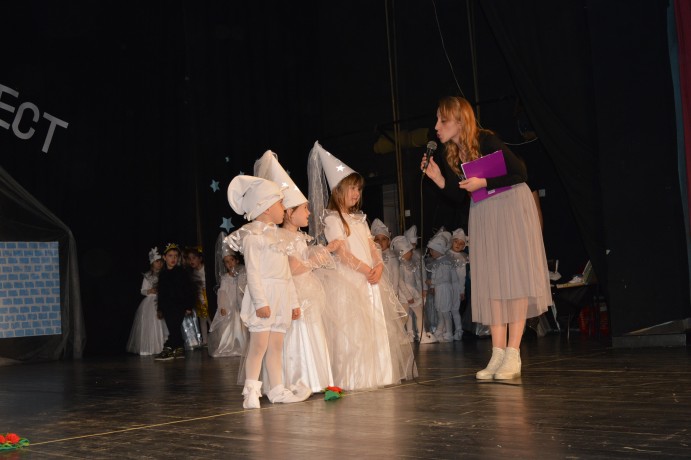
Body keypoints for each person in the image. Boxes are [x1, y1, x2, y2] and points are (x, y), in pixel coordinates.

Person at [421, 96, 552, 380]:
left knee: (513, 278)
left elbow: (520, 173)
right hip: (484, 212)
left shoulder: (487, 140)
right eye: (437, 120)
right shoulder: (453, 153)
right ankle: (497, 353)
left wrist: (485, 182)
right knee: (492, 279)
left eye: (443, 120)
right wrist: (439, 179)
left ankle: (513, 353)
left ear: (460, 121)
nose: (437, 127)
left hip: (509, 207)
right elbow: (459, 196)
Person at [308, 141, 416, 390]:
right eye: (351, 188)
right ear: (338, 190)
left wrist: (378, 265)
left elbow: (372, 245)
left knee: (374, 326)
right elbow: (342, 253)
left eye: (358, 189)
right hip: (350, 280)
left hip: (370, 279)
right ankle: (355, 377)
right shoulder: (332, 219)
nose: (356, 193)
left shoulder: (360, 219)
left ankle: (379, 374)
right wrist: (366, 270)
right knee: (354, 329)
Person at [225, 174, 311, 409]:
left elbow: (287, 275)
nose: (284, 208)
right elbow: (253, 274)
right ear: (265, 208)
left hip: (281, 296)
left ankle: (276, 389)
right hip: (264, 296)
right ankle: (251, 391)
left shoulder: (280, 237)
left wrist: (293, 303)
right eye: (280, 203)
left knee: (276, 347)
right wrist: (260, 302)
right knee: (259, 346)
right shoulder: (253, 237)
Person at [255, 150, 336, 393]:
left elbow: (303, 260)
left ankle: (316, 378)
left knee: (312, 330)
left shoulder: (300, 237)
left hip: (307, 289)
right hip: (294, 292)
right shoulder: (281, 237)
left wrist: (318, 253)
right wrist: (324, 253)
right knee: (296, 331)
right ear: (290, 213)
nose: (309, 213)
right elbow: (294, 267)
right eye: (304, 209)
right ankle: (296, 379)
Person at [155, 243, 198, 361]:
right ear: (164, 257)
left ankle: (168, 347)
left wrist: (188, 306)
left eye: (175, 256)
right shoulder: (163, 274)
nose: (173, 258)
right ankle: (179, 347)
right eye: (170, 256)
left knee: (174, 327)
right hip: (167, 306)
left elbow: (189, 290)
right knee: (173, 328)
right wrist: (160, 308)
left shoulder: (181, 272)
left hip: (179, 305)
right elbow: (161, 293)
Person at [207, 241, 248, 358]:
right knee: (229, 326)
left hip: (241, 305)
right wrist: (222, 306)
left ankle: (243, 345)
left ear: (237, 261)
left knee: (241, 325)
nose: (230, 263)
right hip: (230, 306)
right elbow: (222, 293)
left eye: (231, 260)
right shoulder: (225, 278)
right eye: (226, 262)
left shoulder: (243, 275)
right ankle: (230, 346)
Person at [126, 247, 169, 355]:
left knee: (162, 323)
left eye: (161, 262)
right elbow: (142, 290)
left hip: (162, 300)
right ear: (152, 263)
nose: (159, 264)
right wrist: (150, 291)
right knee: (151, 323)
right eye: (157, 262)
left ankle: (163, 346)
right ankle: (150, 347)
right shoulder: (148, 276)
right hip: (151, 301)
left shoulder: (164, 274)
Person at [424, 229, 459, 342]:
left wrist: (432, 282)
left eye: (432, 250)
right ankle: (439, 329)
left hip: (445, 289)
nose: (431, 253)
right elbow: (435, 275)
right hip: (439, 289)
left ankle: (449, 332)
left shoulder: (445, 263)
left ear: (439, 250)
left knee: (445, 312)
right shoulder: (437, 262)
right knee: (439, 311)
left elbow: (445, 278)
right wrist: (433, 287)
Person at [391, 235, 423, 342]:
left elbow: (415, 279)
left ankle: (419, 334)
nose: (412, 253)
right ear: (403, 253)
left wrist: (418, 290)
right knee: (404, 317)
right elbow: (401, 283)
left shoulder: (410, 264)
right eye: (410, 251)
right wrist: (408, 296)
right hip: (405, 296)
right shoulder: (400, 266)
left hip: (413, 293)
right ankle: (400, 336)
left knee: (418, 314)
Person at [185, 246, 210, 347]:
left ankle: (217, 338)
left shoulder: (205, 269)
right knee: (202, 318)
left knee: (210, 318)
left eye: (194, 258)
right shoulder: (193, 273)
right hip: (200, 297)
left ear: (200, 258)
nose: (191, 261)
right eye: (189, 259)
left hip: (208, 296)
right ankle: (205, 340)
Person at [447, 228, 469, 341]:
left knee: (455, 310)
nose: (458, 245)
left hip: (455, 287)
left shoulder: (462, 258)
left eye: (461, 243)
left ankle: (458, 330)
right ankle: (448, 331)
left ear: (464, 246)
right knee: (445, 310)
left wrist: (462, 291)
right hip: (445, 287)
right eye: (456, 242)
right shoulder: (445, 255)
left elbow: (462, 276)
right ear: (451, 241)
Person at [371, 218, 400, 298]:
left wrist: (394, 292)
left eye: (383, 239)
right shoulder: (372, 255)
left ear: (389, 241)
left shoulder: (392, 256)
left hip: (389, 291)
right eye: (377, 239)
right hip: (377, 290)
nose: (380, 242)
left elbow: (396, 275)